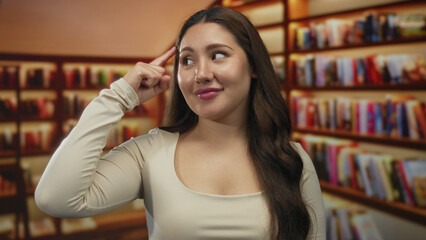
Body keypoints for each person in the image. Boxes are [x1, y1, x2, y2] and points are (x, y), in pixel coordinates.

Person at [35, 7, 325, 240]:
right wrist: (120, 96)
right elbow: (55, 198)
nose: (200, 73)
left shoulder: (292, 159)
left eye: (218, 55)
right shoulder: (148, 153)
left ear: (253, 68)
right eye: (187, 61)